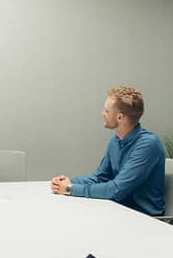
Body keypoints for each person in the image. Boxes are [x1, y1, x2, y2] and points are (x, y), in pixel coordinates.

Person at [50, 86, 165, 216]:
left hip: (144, 218)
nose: (102, 113)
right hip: (119, 210)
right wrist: (68, 182)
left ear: (120, 117)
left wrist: (69, 189)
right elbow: (100, 177)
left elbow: (116, 190)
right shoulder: (116, 141)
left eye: (106, 110)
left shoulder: (148, 145)